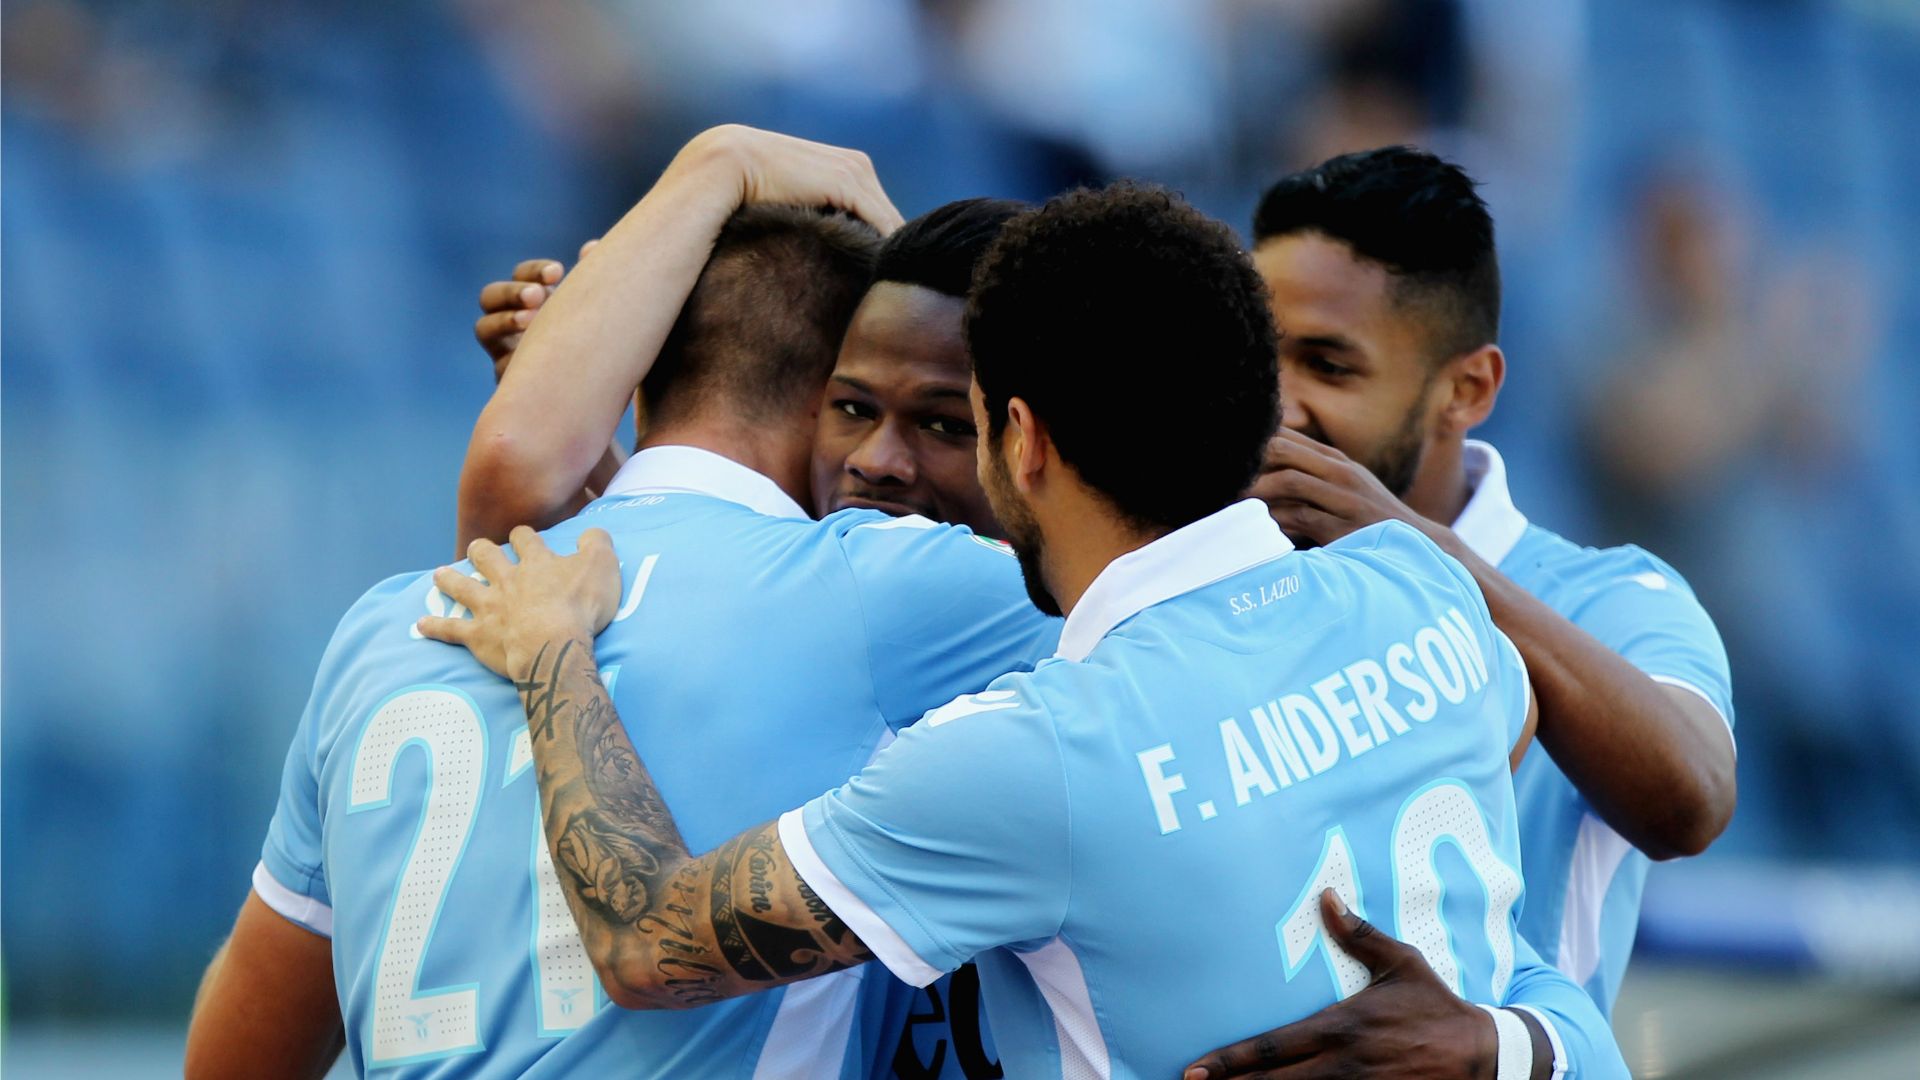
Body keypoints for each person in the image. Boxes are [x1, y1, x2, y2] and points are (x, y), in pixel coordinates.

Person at [422, 182, 1631, 1080]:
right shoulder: (1427, 599)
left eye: (952, 425)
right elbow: (1481, 816)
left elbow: (645, 943)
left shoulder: (1032, 755)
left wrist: (554, 655)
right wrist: (1514, 1046)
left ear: (1024, 438)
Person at [186, 126, 1067, 1079]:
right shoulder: (895, 589)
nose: (881, 460)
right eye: (866, 405)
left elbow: (236, 1059)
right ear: (836, 389)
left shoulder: (385, 628)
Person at [1240, 146, 1737, 1015]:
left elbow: (1690, 799)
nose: (1278, 405)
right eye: (1257, 355)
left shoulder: (1606, 597)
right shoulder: (1208, 575)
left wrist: (1422, 556)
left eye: (1329, 364)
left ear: (1467, 389)